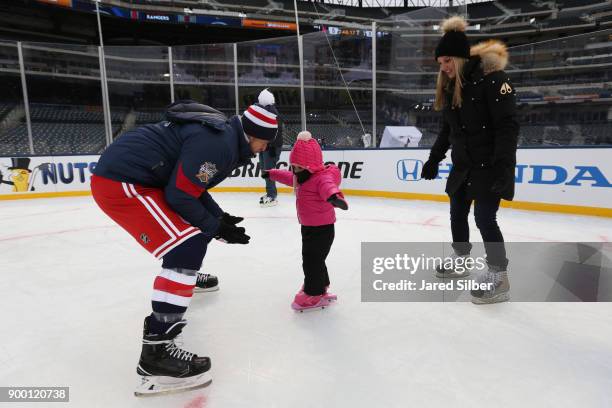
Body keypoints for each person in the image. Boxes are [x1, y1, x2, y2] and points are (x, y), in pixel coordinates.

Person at [90, 92, 279, 395]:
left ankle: (184, 275)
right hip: (123, 183)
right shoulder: (218, 145)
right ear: (255, 135)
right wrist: (216, 227)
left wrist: (219, 219)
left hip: (141, 178)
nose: (264, 149)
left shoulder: (225, 138)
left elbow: (192, 186)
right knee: (185, 247)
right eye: (265, 143)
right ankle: (157, 353)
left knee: (196, 232)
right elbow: (180, 195)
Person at [420, 16, 519, 304]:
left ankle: (499, 276)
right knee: (457, 212)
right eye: (440, 62)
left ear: (462, 59)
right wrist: (434, 158)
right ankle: (461, 258)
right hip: (463, 165)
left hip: (490, 164)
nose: (443, 67)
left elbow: (507, 127)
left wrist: (504, 166)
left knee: (485, 218)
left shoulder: (494, 81)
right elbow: (447, 129)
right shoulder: (452, 87)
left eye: (448, 60)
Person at [263, 131, 348, 311]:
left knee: (311, 261)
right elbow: (287, 177)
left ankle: (313, 294)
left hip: (322, 229)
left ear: (311, 167)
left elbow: (329, 187)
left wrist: (335, 198)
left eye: (299, 168)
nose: (295, 171)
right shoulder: (301, 176)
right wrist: (271, 174)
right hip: (309, 227)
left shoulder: (321, 178)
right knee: (315, 260)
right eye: (293, 166)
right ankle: (320, 286)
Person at [257, 89, 284, 207]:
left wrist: (272, 147)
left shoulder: (272, 112)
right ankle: (270, 193)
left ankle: (272, 196)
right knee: (265, 170)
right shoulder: (267, 111)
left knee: (268, 171)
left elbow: (276, 132)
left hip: (270, 147)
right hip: (265, 146)